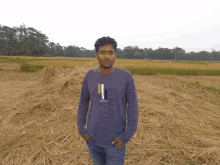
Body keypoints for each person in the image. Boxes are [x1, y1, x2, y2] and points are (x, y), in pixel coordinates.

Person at [77, 36, 139, 165]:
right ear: (96, 55)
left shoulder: (125, 77)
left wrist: (126, 137)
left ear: (115, 54)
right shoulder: (90, 76)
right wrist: (82, 130)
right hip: (93, 140)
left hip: (115, 142)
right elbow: (83, 103)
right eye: (102, 52)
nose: (107, 57)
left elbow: (133, 107)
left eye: (110, 53)